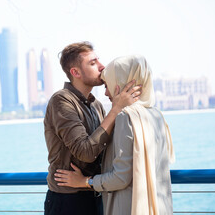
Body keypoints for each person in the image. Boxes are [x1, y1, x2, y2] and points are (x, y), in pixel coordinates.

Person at [54, 55, 176, 215]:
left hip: (128, 207)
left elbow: (120, 177)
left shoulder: (126, 117)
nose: (105, 93)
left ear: (120, 83)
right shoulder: (156, 114)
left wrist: (84, 181)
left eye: (107, 84)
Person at [44, 42, 142, 215]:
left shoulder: (96, 105)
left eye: (99, 60)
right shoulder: (61, 101)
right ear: (75, 72)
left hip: (94, 193)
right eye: (92, 63)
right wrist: (116, 109)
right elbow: (86, 152)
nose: (102, 66)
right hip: (68, 200)